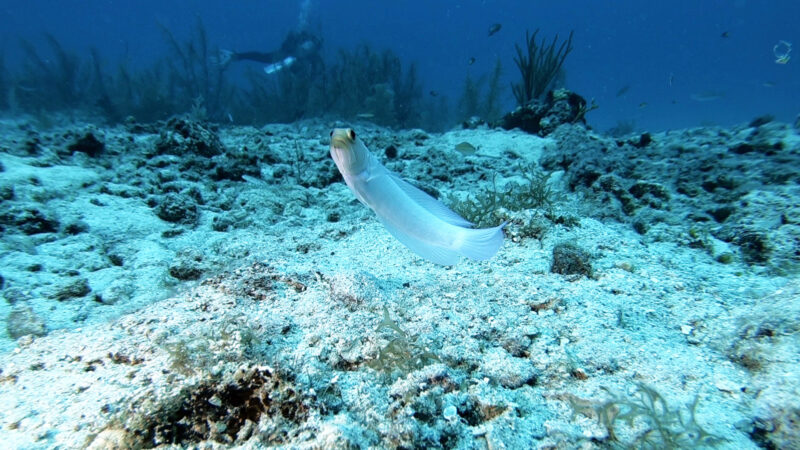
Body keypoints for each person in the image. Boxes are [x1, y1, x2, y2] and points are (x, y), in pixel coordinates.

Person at [216, 30, 323, 75]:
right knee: (266, 58)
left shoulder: (312, 59)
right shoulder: (287, 53)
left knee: (265, 58)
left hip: (288, 57)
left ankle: (236, 56)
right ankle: (235, 56)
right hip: (286, 55)